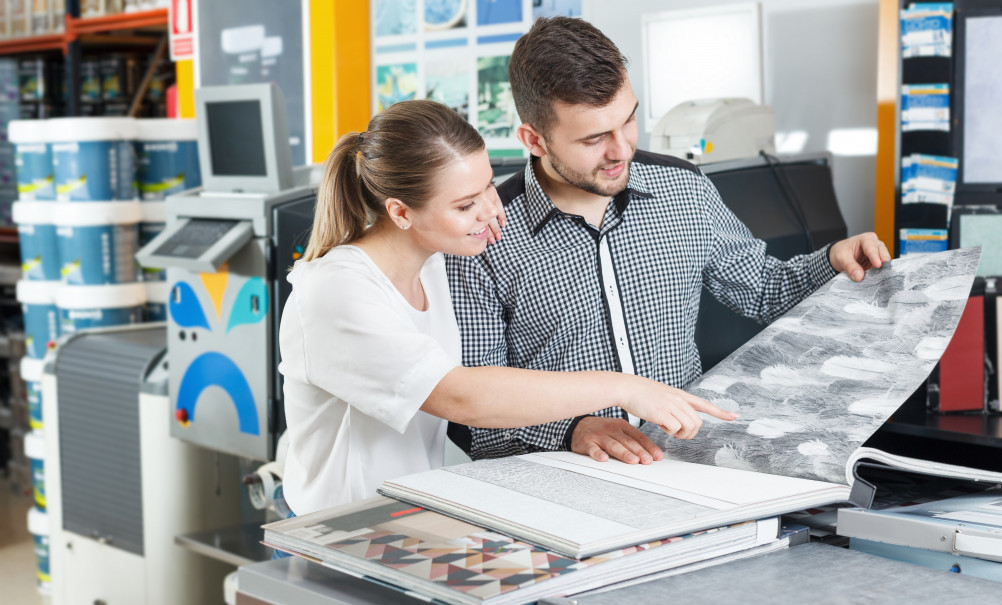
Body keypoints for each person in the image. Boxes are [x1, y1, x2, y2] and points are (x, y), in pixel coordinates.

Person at [445, 17, 892, 466]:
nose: (622, 150)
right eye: (595, 137)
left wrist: (832, 260)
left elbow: (763, 290)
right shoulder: (480, 235)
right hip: (560, 481)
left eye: (629, 120)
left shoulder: (684, 189)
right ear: (534, 140)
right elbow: (469, 407)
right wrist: (570, 430)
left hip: (686, 468)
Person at [278, 100, 737, 516]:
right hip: (336, 533)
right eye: (465, 205)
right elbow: (462, 396)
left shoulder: (435, 266)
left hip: (406, 521)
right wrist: (622, 388)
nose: (491, 212)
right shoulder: (335, 292)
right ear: (401, 213)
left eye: (488, 189)